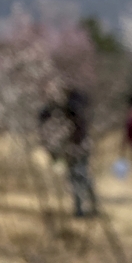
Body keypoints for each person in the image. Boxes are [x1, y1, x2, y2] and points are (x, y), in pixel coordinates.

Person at [39, 88, 97, 217]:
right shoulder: (77, 111)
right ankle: (87, 207)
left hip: (75, 150)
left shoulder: (70, 112)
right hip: (80, 149)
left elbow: (58, 136)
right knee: (82, 177)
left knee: (77, 177)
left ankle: (81, 208)